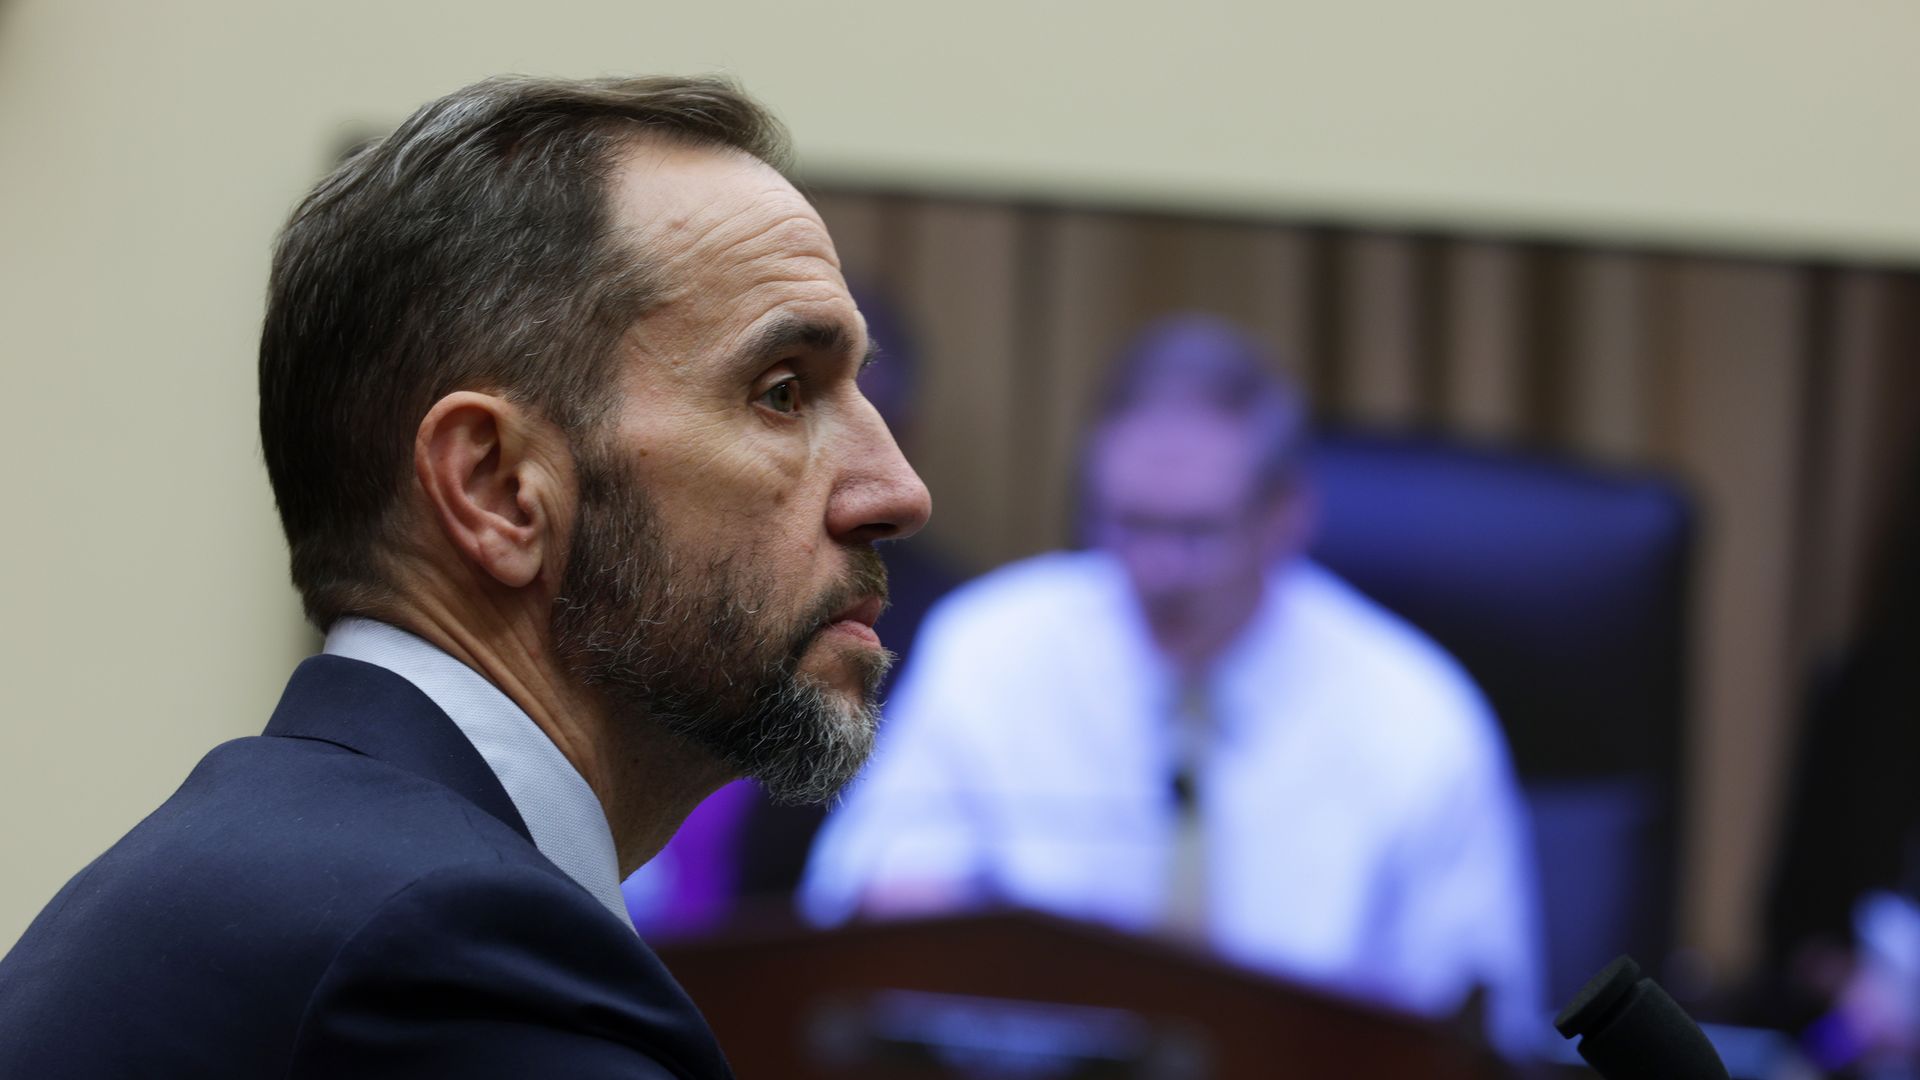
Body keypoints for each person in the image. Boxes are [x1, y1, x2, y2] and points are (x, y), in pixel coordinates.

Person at [0, 74, 929, 1078]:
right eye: (783, 392)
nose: (897, 492)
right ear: (496, 487)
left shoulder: (285, 877)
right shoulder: (446, 952)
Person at [801, 314, 1544, 1055]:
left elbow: (1477, 1022)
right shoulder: (994, 646)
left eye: (1195, 533)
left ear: (1286, 516)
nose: (1157, 572)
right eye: (1128, 524)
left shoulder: (1415, 715)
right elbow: (865, 906)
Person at [622, 284, 961, 937]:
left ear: (906, 433)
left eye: (870, 421)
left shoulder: (946, 626)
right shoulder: (650, 564)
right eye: (786, 411)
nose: (838, 469)